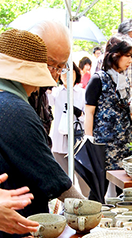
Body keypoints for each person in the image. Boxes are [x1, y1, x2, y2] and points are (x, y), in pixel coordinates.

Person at [0, 29, 84, 238]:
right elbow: (51, 175)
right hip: (18, 225)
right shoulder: (15, 110)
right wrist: (88, 211)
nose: (36, 89)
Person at [84, 33, 132, 196]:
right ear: (115, 55)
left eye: (131, 56)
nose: (130, 60)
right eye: (127, 56)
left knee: (126, 193)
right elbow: (89, 111)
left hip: (125, 144)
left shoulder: (124, 79)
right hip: (104, 145)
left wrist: (130, 108)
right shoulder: (98, 79)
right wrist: (89, 139)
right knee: (98, 191)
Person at [47, 62, 89, 196]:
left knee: (83, 177)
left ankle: (89, 202)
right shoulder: (56, 92)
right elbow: (48, 101)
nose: (67, 76)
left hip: (77, 139)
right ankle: (68, 205)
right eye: (63, 72)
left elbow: (87, 116)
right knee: (63, 177)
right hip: (60, 140)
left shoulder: (82, 93)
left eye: (70, 72)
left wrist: (79, 114)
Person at [27, 20, 71, 148]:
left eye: (60, 67)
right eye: (50, 64)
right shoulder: (17, 96)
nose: (55, 73)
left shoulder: (43, 93)